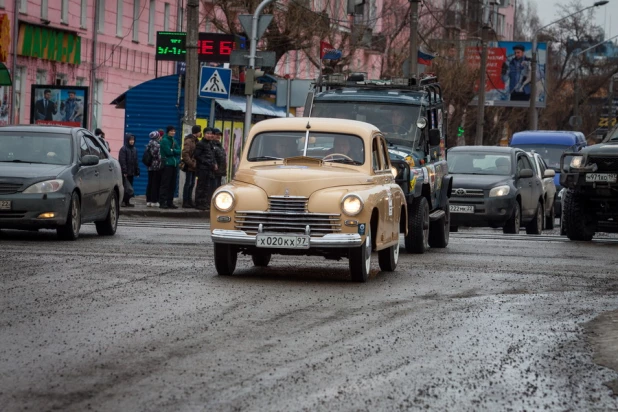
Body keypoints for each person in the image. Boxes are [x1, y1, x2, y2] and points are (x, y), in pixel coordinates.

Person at [194, 127, 217, 211]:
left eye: (210, 134)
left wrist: (214, 163)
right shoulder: (201, 144)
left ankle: (204, 202)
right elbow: (196, 155)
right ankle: (198, 203)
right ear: (204, 134)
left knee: (206, 186)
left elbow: (212, 155)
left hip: (209, 168)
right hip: (202, 168)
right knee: (201, 185)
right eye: (208, 133)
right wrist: (205, 162)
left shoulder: (210, 143)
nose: (209, 135)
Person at [159, 125, 181, 209]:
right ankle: (162, 202)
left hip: (174, 164)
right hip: (167, 165)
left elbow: (179, 151)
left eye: (174, 131)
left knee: (172, 184)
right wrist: (173, 151)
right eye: (171, 131)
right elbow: (168, 152)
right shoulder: (164, 141)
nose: (173, 132)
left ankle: (170, 202)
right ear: (168, 131)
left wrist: (173, 151)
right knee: (165, 184)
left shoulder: (174, 141)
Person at [118, 133, 140, 207]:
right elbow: (122, 161)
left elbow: (136, 161)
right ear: (127, 140)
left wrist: (137, 171)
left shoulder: (134, 149)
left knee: (129, 187)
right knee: (125, 187)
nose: (132, 141)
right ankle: (123, 201)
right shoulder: (123, 149)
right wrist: (124, 171)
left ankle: (127, 201)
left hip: (131, 172)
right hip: (126, 172)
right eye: (130, 140)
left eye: (133, 140)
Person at [181, 125, 200, 208]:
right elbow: (185, 153)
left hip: (194, 166)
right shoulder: (189, 140)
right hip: (190, 166)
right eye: (199, 131)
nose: (200, 133)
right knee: (188, 183)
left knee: (192, 183)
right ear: (197, 132)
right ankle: (185, 201)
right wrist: (191, 164)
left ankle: (189, 201)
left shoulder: (196, 141)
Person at [145, 131, 163, 207]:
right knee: (155, 184)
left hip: (149, 166)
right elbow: (158, 156)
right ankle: (154, 200)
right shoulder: (157, 144)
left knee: (150, 183)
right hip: (156, 166)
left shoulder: (149, 143)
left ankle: (148, 200)